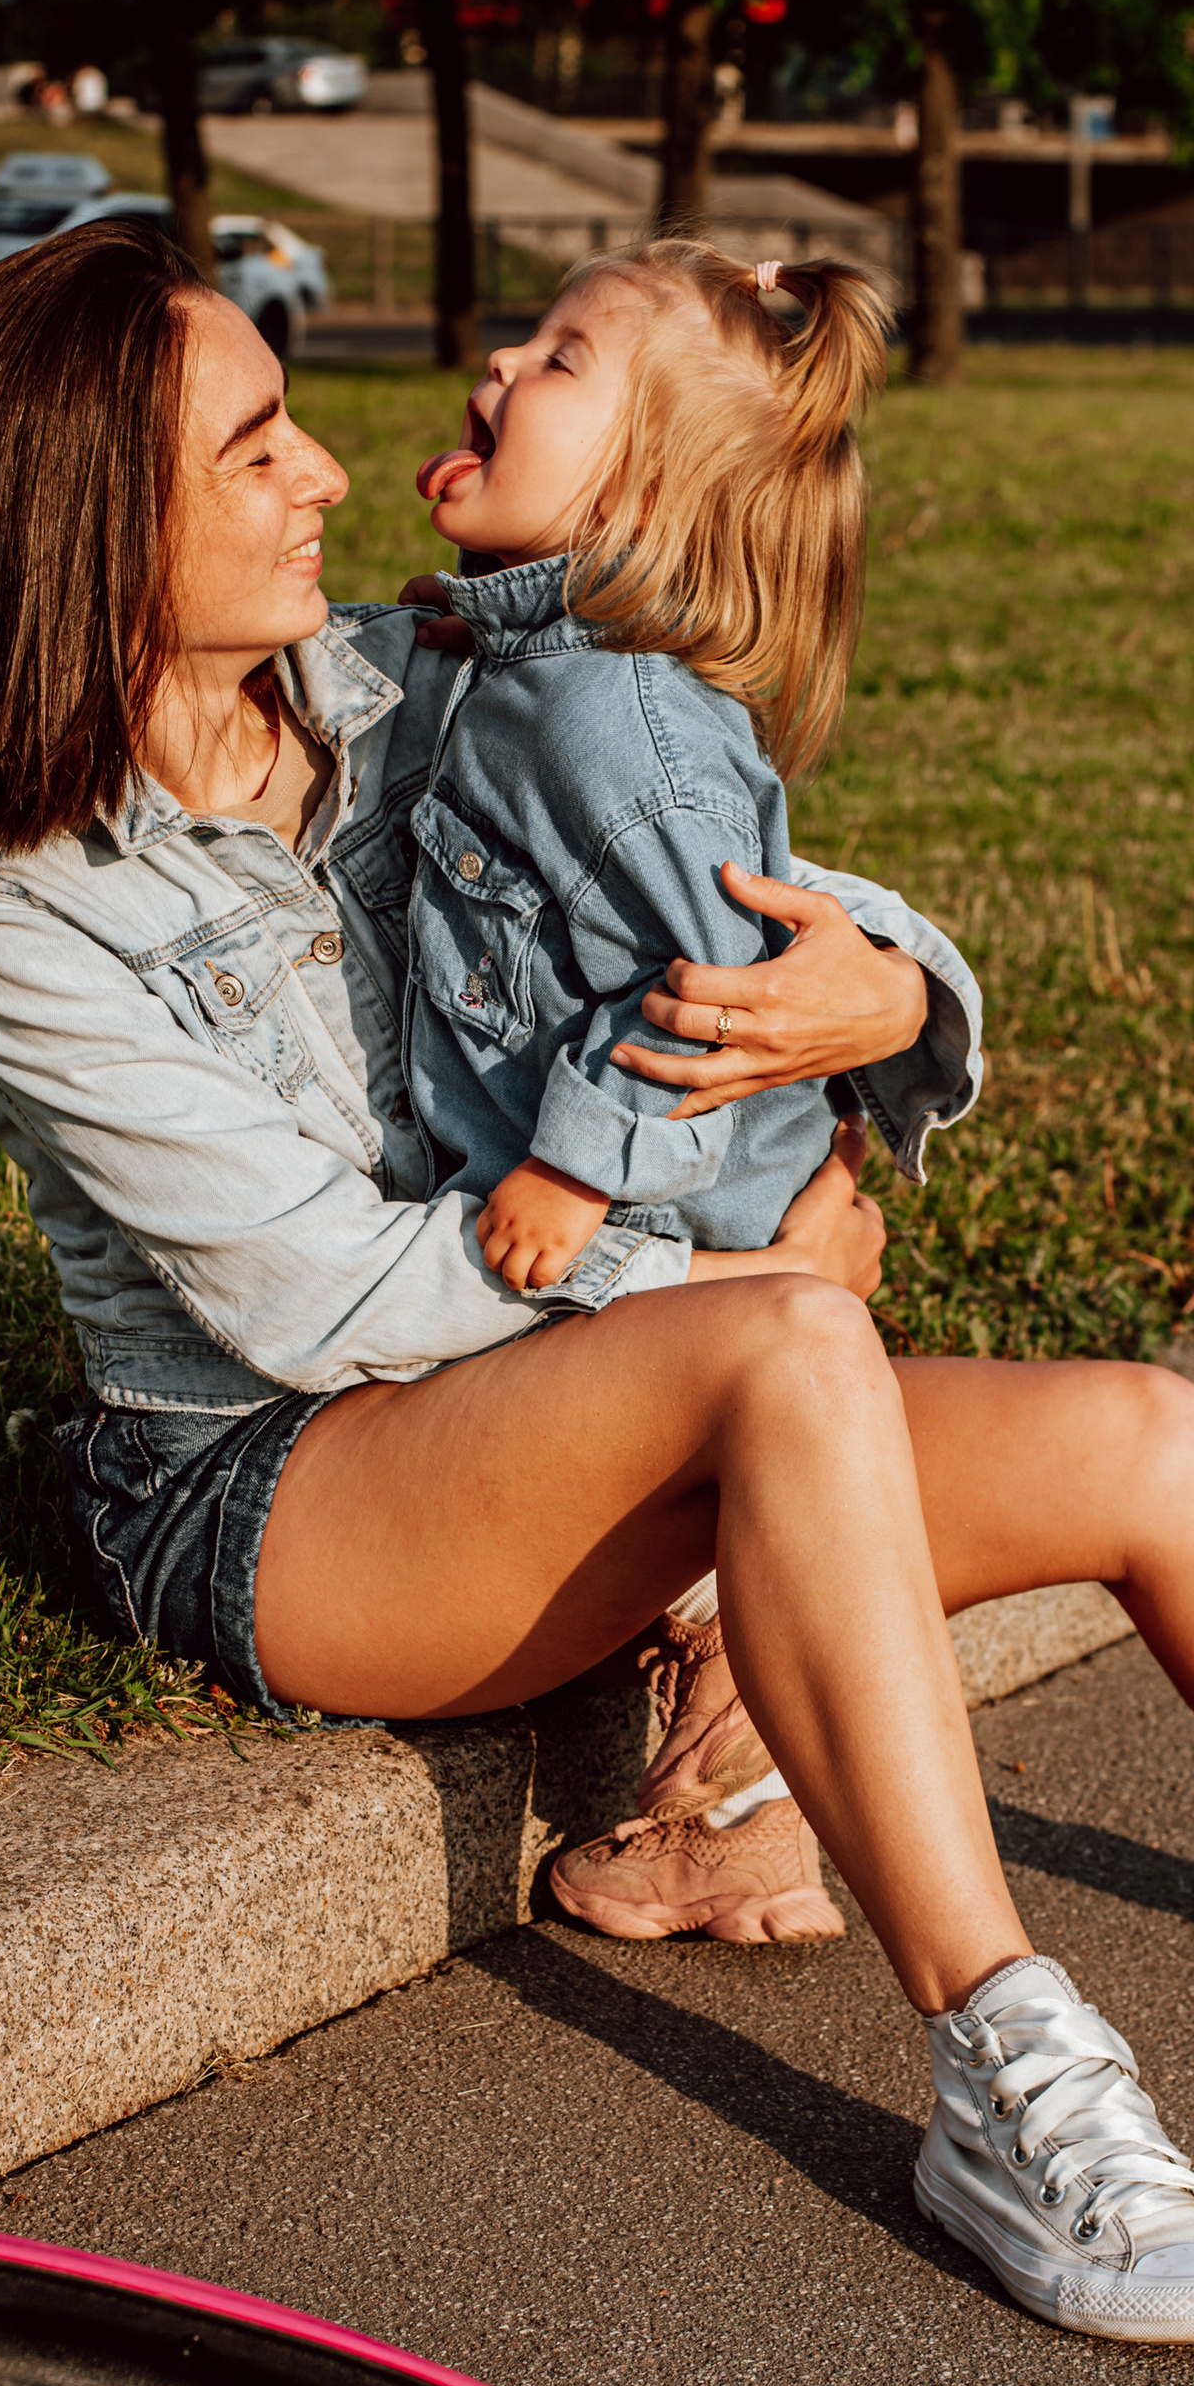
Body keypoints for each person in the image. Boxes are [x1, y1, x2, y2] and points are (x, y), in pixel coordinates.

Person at [0, 215, 1194, 2351]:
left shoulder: (400, 681)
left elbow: (721, 856)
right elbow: (324, 1301)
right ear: (78, 526)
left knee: (1142, 1438)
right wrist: (731, 1276)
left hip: (602, 1383)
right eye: (254, 447)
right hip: (282, 1496)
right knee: (788, 1346)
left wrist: (885, 986)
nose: (323, 471)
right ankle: (1003, 2067)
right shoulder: (6, 912)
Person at [393, 237, 913, 1948]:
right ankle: (743, 1811)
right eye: (523, 338)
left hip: (679, 1202)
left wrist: (576, 1173)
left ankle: (736, 1822)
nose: (497, 367)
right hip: (676, 1213)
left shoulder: (619, 728)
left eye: (556, 363)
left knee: (713, 1532)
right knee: (713, 1525)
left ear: (646, 496)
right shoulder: (523, 663)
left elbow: (696, 994)